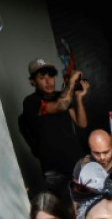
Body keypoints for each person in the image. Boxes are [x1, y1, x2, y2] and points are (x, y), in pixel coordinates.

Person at [18, 58, 88, 204]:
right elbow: (60, 105)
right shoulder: (31, 102)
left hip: (77, 160)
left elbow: (82, 123)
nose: (48, 81)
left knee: (90, 201)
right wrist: (71, 83)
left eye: (51, 77)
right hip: (55, 170)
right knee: (67, 208)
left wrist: (79, 98)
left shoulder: (61, 96)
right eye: (42, 78)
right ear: (32, 82)